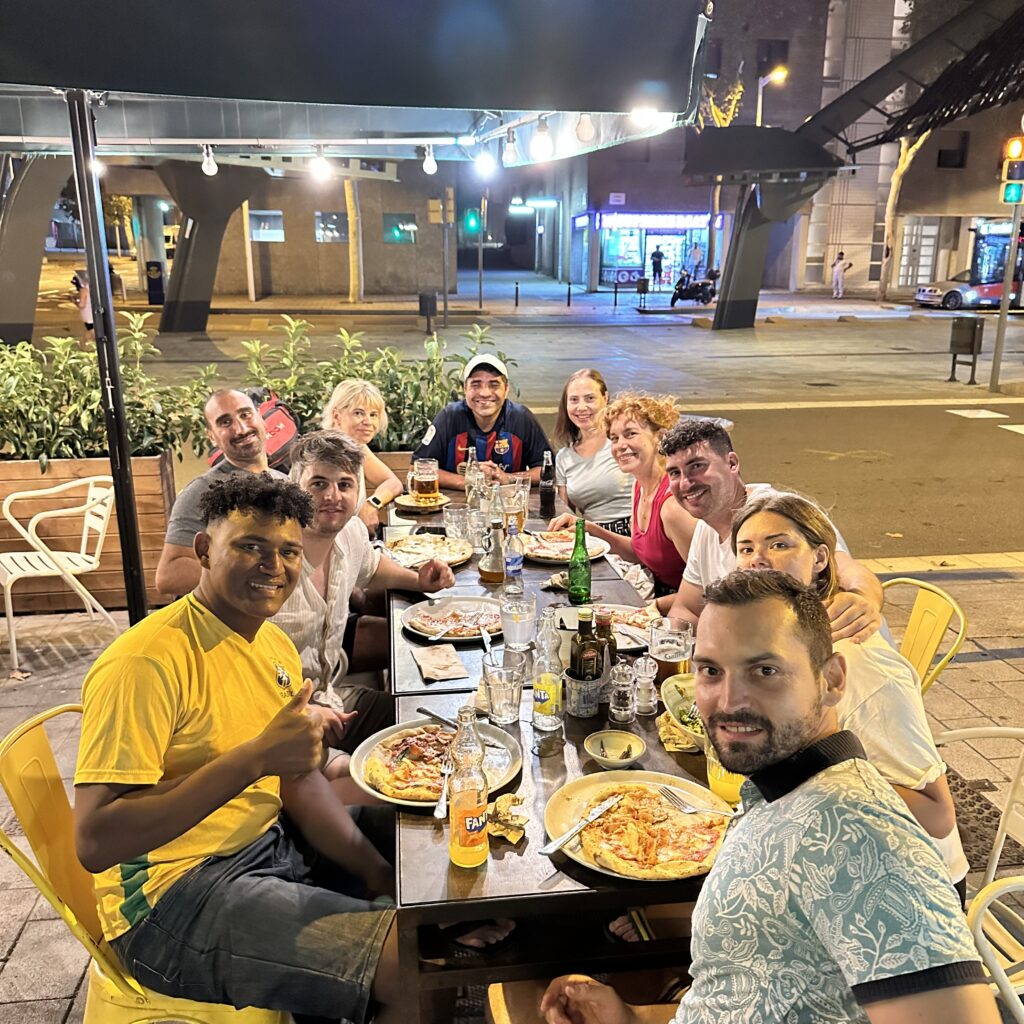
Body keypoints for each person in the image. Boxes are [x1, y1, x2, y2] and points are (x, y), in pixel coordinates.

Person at [528, 571, 999, 1024]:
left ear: (833, 679)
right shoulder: (776, 792)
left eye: (765, 670)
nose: (730, 700)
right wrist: (633, 1017)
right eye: (711, 670)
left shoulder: (858, 837)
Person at [73, 472, 407, 1022]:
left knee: (429, 851)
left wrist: (378, 874)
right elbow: (94, 841)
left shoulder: (269, 640)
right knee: (416, 966)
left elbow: (298, 782)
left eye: (288, 551)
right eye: (250, 546)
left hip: (269, 847)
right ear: (204, 550)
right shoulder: (145, 663)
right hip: (171, 900)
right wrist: (256, 757)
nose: (273, 567)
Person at [731, 489, 969, 894]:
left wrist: (803, 771)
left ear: (820, 559)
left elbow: (937, 815)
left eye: (780, 545)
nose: (758, 559)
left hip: (906, 882)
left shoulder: (858, 661)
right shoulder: (789, 637)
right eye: (746, 548)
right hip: (832, 841)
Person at [273, 431, 455, 752]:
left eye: (344, 485)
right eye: (318, 484)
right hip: (279, 719)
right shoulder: (269, 559)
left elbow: (372, 567)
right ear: (294, 489)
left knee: (443, 727)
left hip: (332, 695)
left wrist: (418, 581)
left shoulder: (351, 531)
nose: (333, 495)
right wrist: (305, 711)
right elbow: (235, 662)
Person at [662, 417, 884, 643]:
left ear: (732, 463)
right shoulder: (705, 527)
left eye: (697, 466)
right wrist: (667, 644)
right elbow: (687, 609)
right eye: (674, 473)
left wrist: (863, 598)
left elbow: (848, 568)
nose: (685, 483)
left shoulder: (776, 511)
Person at [551, 393, 696, 602]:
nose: (620, 445)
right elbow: (641, 553)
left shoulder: (672, 506)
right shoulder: (640, 486)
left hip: (681, 606)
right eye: (614, 438)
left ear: (660, 438)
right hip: (656, 592)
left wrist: (644, 608)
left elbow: (706, 587)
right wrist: (586, 528)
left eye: (630, 434)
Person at [155, 389, 286, 597]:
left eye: (245, 414)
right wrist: (248, 577)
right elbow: (169, 576)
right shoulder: (202, 491)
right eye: (225, 422)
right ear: (212, 437)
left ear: (262, 419)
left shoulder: (285, 482)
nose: (241, 428)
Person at [412, 354, 550, 489]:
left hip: (507, 506)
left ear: (506, 389)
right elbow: (416, 468)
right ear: (465, 388)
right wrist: (469, 481)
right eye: (476, 384)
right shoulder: (449, 417)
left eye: (494, 384)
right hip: (456, 508)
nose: (485, 393)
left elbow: (546, 469)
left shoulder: (521, 418)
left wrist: (508, 478)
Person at [552, 369, 633, 536]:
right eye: (574, 400)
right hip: (590, 536)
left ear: (605, 398)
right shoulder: (564, 457)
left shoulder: (622, 442)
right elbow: (565, 513)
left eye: (590, 398)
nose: (581, 407)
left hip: (631, 531)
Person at [321, 379, 403, 536]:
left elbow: (393, 483)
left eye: (373, 415)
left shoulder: (356, 447)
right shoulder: (326, 454)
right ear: (336, 415)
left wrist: (372, 504)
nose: (368, 422)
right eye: (358, 413)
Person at [72, 270, 94, 341]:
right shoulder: (92, 287)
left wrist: (75, 302)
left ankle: (86, 348)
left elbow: (81, 305)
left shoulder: (84, 289)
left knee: (91, 333)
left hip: (88, 316)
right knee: (89, 333)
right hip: (93, 314)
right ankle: (85, 348)